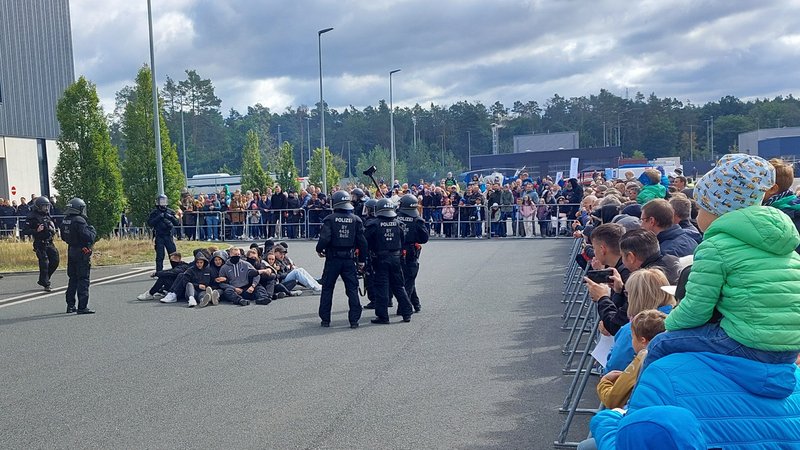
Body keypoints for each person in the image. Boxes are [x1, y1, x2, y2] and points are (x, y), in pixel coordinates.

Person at [645, 153, 800, 370]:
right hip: (790, 347)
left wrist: (667, 324)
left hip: (749, 343)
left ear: (718, 211)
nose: (696, 217)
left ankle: (638, 404)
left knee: (661, 344)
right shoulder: (782, 240)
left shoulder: (715, 247)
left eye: (700, 209)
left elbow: (696, 310)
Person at [316, 190, 367, 329]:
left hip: (333, 258)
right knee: (352, 289)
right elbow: (362, 242)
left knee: (327, 289)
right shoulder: (356, 219)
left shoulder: (330, 219)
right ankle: (354, 320)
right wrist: (362, 260)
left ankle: (325, 319)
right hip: (349, 259)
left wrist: (319, 249)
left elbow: (324, 238)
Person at [596, 309, 666, 409]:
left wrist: (605, 381)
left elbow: (613, 399)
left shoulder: (642, 359)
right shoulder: (669, 355)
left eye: (632, 337)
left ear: (642, 340)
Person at [365, 198, 414, 324]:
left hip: (380, 259)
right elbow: (403, 240)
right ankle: (407, 313)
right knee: (399, 286)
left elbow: (366, 242)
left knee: (382, 287)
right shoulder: (399, 223)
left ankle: (383, 316)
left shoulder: (373, 224)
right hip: (396, 258)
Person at [60, 198, 96, 314]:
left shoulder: (66, 220)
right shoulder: (79, 220)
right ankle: (82, 307)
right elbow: (88, 236)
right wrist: (92, 231)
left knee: (73, 279)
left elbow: (63, 237)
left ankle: (70, 305)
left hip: (71, 250)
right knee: (83, 279)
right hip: (81, 251)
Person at [396, 194, 429, 313]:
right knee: (409, 278)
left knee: (407, 279)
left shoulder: (395, 217)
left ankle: (412, 305)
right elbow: (424, 238)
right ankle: (407, 306)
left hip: (397, 251)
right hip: (411, 251)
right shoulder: (417, 220)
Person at [21, 196, 59, 291]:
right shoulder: (32, 216)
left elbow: (52, 226)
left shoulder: (47, 215)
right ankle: (46, 284)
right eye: (44, 206)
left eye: (47, 206)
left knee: (55, 261)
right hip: (40, 243)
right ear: (38, 206)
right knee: (44, 263)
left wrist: (53, 229)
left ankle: (44, 279)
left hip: (49, 242)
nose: (46, 208)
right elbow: (25, 231)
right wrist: (36, 230)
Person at [147, 195, 180, 272]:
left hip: (169, 236)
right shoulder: (154, 212)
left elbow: (177, 223)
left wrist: (171, 217)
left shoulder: (170, 211)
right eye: (161, 201)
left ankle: (176, 270)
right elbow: (150, 223)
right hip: (159, 236)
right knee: (160, 255)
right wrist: (159, 217)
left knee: (173, 254)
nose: (163, 203)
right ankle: (159, 272)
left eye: (164, 201)